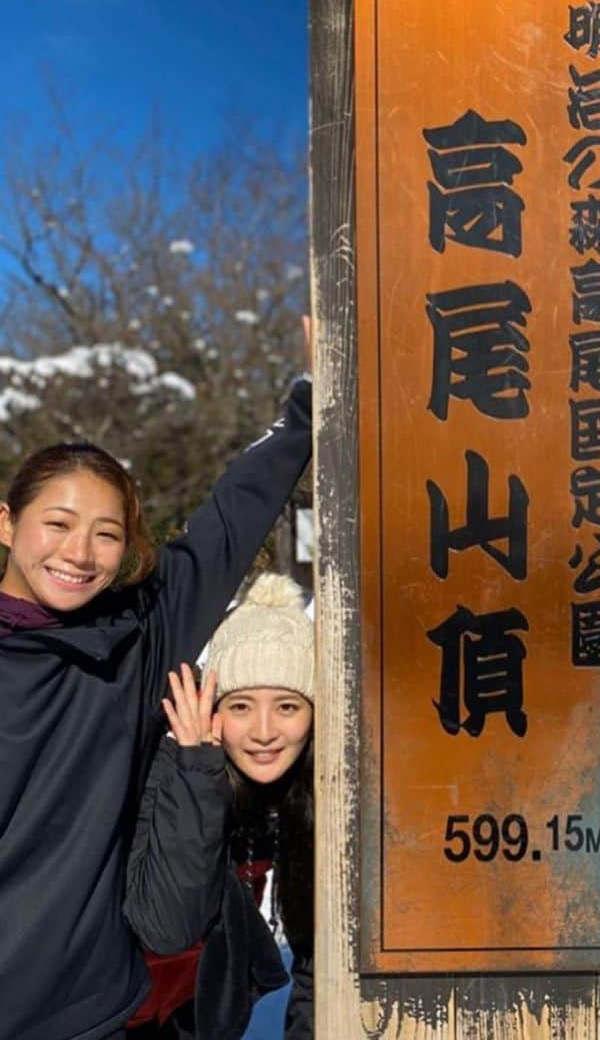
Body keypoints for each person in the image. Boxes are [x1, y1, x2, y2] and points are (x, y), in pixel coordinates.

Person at [0, 325, 311, 1040]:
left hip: (95, 1012)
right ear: (9, 522)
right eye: (58, 522)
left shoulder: (136, 638)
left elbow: (229, 523)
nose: (80, 552)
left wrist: (309, 401)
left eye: (107, 532)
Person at [124, 572, 314, 1040]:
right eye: (241, 707)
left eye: (287, 706)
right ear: (213, 711)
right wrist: (196, 772)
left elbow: (319, 957)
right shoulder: (171, 776)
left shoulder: (309, 796)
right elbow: (171, 925)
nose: (264, 730)